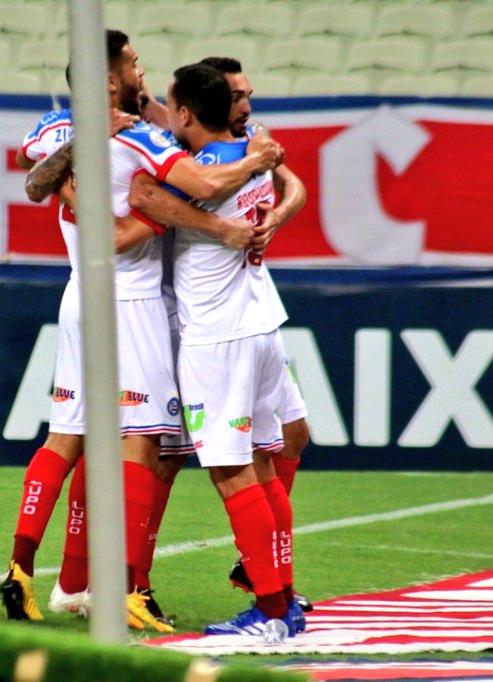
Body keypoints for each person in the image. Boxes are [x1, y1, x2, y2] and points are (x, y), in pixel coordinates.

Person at [0, 30, 282, 632]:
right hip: (132, 302)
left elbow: (35, 179)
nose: (140, 67)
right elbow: (196, 188)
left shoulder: (54, 128)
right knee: (145, 444)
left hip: (77, 295)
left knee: (67, 438)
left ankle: (27, 573)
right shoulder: (144, 136)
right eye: (131, 62)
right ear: (109, 78)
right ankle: (128, 586)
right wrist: (255, 163)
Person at [131, 56, 313, 609]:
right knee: (225, 456)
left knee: (244, 464)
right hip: (214, 322)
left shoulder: (225, 158)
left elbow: (144, 195)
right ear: (219, 102)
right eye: (239, 96)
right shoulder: (241, 156)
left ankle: (271, 599)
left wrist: (271, 218)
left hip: (224, 330)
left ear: (187, 111)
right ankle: (263, 588)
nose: (248, 106)